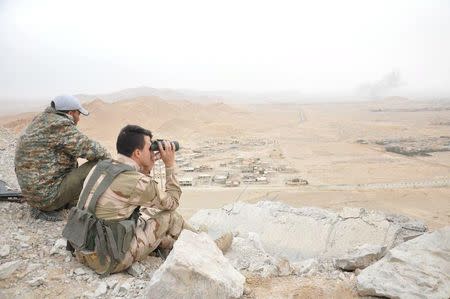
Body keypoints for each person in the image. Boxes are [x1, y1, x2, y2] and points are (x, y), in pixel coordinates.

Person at [63, 125, 232, 275]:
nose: (153, 153)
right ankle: (210, 249)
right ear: (137, 153)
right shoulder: (136, 182)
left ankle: (173, 244)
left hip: (82, 248)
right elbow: (172, 201)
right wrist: (170, 164)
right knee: (171, 217)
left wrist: (146, 166)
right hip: (108, 260)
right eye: (149, 149)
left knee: (147, 212)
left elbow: (137, 195)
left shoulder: (101, 167)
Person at [14, 95, 111, 221]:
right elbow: (95, 151)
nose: (79, 119)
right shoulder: (60, 125)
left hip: (32, 195)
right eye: (78, 114)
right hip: (47, 199)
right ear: (71, 113)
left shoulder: (41, 120)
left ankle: (68, 201)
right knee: (101, 163)